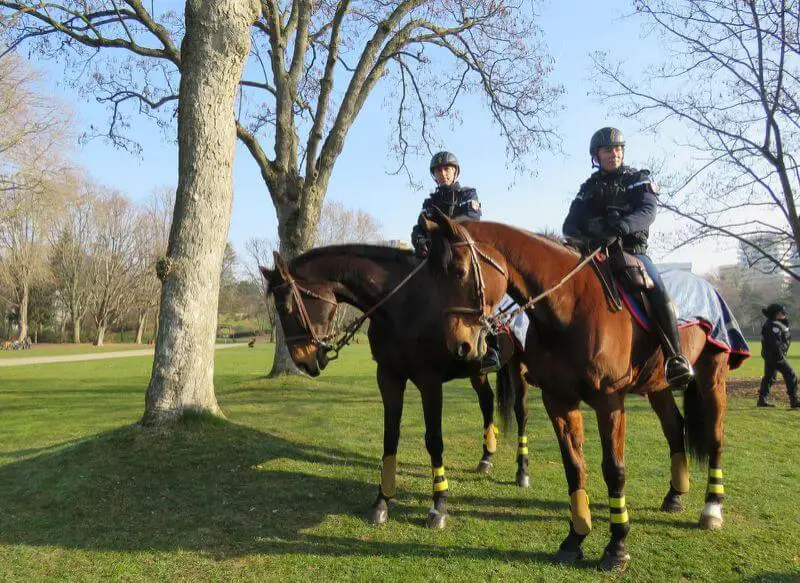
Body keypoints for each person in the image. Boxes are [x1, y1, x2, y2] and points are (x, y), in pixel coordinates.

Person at [562, 127, 694, 388]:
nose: (614, 154)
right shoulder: (586, 189)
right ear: (596, 156)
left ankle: (675, 358)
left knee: (659, 292)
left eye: (618, 149)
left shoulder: (638, 178)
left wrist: (620, 227)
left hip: (632, 253)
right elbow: (569, 226)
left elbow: (648, 212)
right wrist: (589, 237)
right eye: (607, 150)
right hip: (594, 254)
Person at [410, 151, 499, 373]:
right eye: (438, 170)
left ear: (455, 171)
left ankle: (494, 347)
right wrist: (420, 241)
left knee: (484, 293)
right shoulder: (429, 203)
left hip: (465, 258)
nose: (443, 173)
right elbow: (419, 228)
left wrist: (436, 231)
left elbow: (468, 222)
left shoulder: (468, 194)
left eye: (446, 169)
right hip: (439, 261)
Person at [758, 303, 799, 408]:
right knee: (792, 375)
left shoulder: (771, 323)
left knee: (769, 377)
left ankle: (762, 400)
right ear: (777, 314)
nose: (785, 314)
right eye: (783, 312)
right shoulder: (773, 325)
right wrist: (780, 356)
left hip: (770, 355)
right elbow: (774, 343)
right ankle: (794, 401)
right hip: (776, 356)